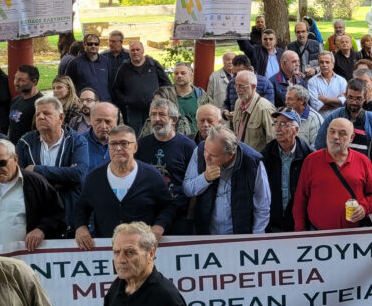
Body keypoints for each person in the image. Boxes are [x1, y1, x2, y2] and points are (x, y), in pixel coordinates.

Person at [73, 125, 175, 244]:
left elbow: (168, 207)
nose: (118, 148)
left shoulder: (152, 176)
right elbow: (81, 208)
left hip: (142, 248)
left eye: (124, 143)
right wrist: (81, 227)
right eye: (113, 144)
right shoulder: (95, 178)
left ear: (135, 147)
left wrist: (159, 226)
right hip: (106, 248)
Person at [14, 96, 91, 231]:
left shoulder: (77, 141)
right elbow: (19, 176)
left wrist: (36, 170)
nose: (41, 117)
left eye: (47, 113)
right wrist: (61, 177)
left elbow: (78, 174)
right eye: (38, 114)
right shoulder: (25, 142)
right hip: (35, 215)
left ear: (61, 118)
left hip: (67, 214)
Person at [293, 117, 372, 230]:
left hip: (355, 236)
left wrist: (364, 208)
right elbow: (300, 199)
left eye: (342, 133)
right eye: (332, 131)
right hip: (318, 235)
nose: (335, 136)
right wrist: (300, 231)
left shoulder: (363, 161)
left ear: (351, 137)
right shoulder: (311, 160)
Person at [0, 138, 67, 252]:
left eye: (2, 163)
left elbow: (58, 215)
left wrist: (41, 230)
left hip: (24, 259)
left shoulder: (35, 183)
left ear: (15, 159)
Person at [184, 125, 270, 235]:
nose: (207, 157)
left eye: (213, 155)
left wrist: (255, 238)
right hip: (207, 234)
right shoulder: (200, 150)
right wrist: (205, 178)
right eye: (206, 151)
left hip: (239, 235)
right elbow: (187, 189)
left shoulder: (253, 162)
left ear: (230, 155)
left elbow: (262, 206)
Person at [136, 98, 197, 234]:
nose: (157, 119)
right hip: (148, 216)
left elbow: (194, 183)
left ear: (174, 120)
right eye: (153, 114)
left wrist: (190, 214)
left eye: (162, 114)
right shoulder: (141, 145)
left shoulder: (188, 146)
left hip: (179, 216)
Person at [261, 108, 312, 232]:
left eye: (283, 124)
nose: (278, 129)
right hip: (273, 224)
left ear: (296, 130)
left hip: (300, 223)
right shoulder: (265, 155)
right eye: (276, 124)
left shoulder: (309, 156)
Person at [112, 41, 171, 133]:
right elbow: (116, 88)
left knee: (153, 133)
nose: (135, 52)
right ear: (129, 52)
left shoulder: (153, 64)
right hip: (133, 110)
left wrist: (160, 97)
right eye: (132, 50)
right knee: (133, 134)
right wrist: (125, 100)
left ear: (142, 50)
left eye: (137, 49)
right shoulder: (124, 68)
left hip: (153, 108)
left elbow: (167, 83)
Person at [318, 77, 372, 157]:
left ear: (364, 98)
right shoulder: (334, 117)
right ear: (345, 95)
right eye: (350, 98)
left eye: (358, 99)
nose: (354, 102)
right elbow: (320, 144)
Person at [229, 69, 276, 153]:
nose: (237, 89)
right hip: (240, 157)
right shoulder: (238, 102)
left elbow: (272, 141)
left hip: (256, 161)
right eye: (235, 85)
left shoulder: (265, 108)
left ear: (253, 86)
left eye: (241, 86)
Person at [64, 32, 112, 102]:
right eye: (90, 44)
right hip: (85, 105)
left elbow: (111, 83)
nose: (93, 46)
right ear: (84, 45)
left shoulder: (106, 61)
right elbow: (68, 84)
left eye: (96, 44)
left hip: (104, 102)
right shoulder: (75, 63)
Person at [169, 62, 209, 137]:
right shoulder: (167, 95)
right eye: (176, 73)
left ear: (191, 75)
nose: (179, 76)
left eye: (183, 73)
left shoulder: (201, 96)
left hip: (196, 138)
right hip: (173, 138)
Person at [6, 65, 43, 144]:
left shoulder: (41, 104)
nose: (16, 83)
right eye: (15, 78)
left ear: (34, 82)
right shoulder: (15, 100)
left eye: (21, 80)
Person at [307, 51, 347, 116]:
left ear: (333, 64)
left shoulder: (342, 81)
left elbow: (344, 102)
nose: (324, 65)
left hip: (338, 119)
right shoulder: (312, 82)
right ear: (318, 64)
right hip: (321, 121)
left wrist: (325, 100)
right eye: (321, 62)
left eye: (327, 62)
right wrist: (337, 102)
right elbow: (315, 105)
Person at [82, 101, 119, 168]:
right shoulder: (78, 143)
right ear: (91, 120)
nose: (103, 126)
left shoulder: (126, 144)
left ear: (116, 121)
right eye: (98, 121)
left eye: (108, 121)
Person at [282, 84, 321, 148]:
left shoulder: (314, 119)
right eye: (286, 99)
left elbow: (316, 147)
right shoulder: (285, 114)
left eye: (290, 99)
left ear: (301, 100)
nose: (286, 102)